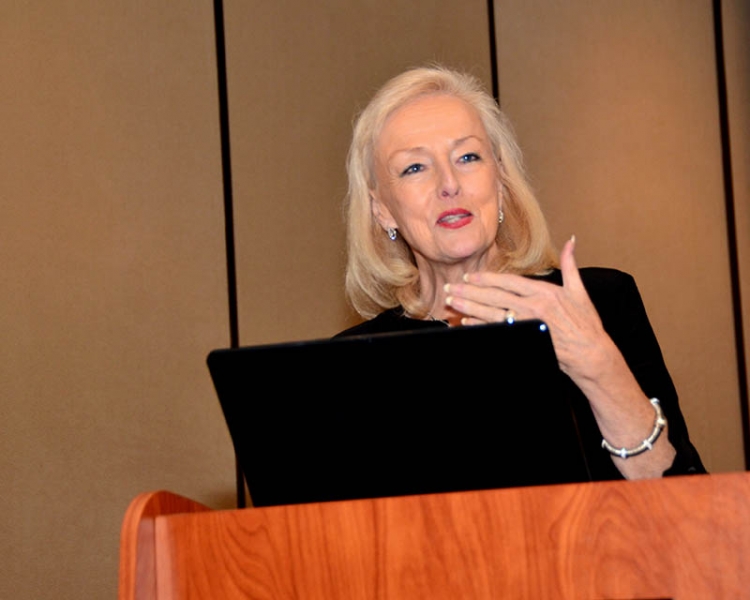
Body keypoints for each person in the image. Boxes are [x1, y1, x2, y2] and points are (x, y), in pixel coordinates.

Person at [336, 65, 705, 480]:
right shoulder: (351, 362)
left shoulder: (600, 303)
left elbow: (687, 501)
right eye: (415, 168)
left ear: (500, 180)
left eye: (468, 157)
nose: (449, 183)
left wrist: (600, 369)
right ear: (382, 209)